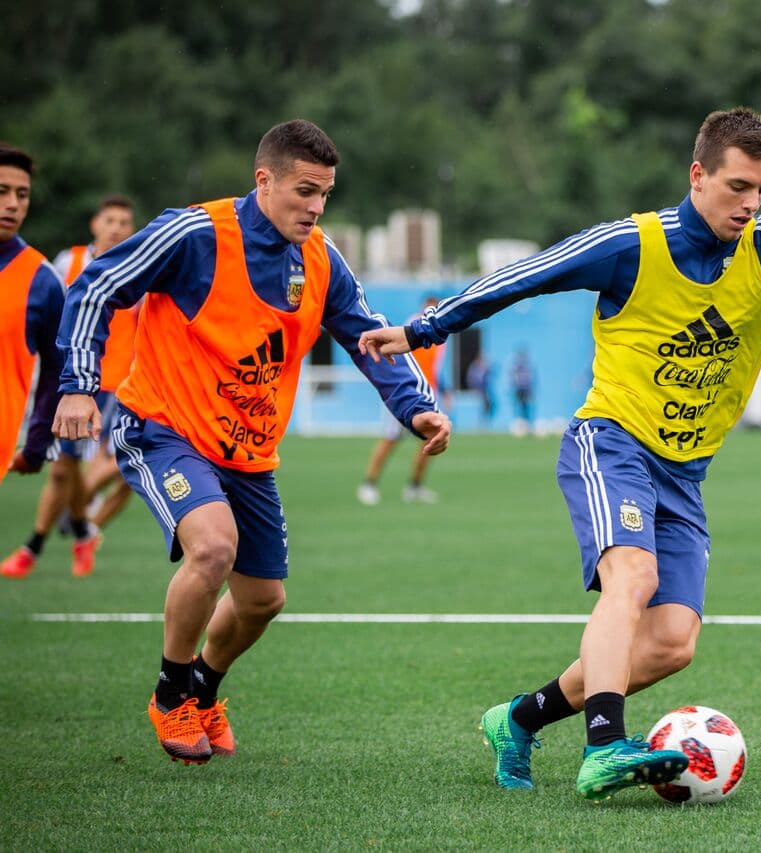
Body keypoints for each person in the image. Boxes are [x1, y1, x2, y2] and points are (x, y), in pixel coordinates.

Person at [359, 107, 761, 800]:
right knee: (632, 578)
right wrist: (423, 327)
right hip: (611, 440)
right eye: (738, 186)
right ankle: (605, 747)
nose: (751, 203)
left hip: (684, 473)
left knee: (673, 641)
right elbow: (525, 274)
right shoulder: (632, 244)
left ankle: (518, 719)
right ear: (697, 175)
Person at [52, 120, 451, 765]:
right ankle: (170, 693)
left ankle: (205, 686)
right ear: (264, 180)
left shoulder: (320, 258)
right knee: (212, 548)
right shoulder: (196, 234)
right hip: (162, 424)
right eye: (304, 191)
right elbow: (97, 284)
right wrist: (77, 383)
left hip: (247, 449)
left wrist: (418, 409)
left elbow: (368, 335)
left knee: (264, 601)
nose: (316, 208)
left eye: (325, 194)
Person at [2, 195, 136, 579]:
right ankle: (70, 533)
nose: (116, 228)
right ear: (94, 223)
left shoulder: (141, 266)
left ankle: (63, 535)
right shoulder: (66, 264)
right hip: (78, 384)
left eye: (124, 222)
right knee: (63, 469)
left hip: (124, 387)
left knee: (124, 472)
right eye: (109, 220)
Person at [0, 144, 64, 507]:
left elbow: (57, 369)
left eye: (21, 194)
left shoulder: (42, 281)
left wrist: (37, 445)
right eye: (2, 192)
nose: (13, 204)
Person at [358, 296, 449, 505]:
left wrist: (443, 391)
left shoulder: (440, 335)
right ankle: (369, 484)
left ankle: (414, 487)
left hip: (429, 394)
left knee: (431, 440)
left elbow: (434, 368)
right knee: (390, 440)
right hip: (407, 392)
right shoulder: (412, 327)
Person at [509, 347, 536, 434]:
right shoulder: (516, 367)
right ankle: (520, 427)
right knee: (519, 408)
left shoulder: (528, 366)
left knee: (526, 408)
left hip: (526, 390)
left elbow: (530, 379)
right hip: (519, 390)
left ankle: (527, 426)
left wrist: (531, 389)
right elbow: (513, 378)